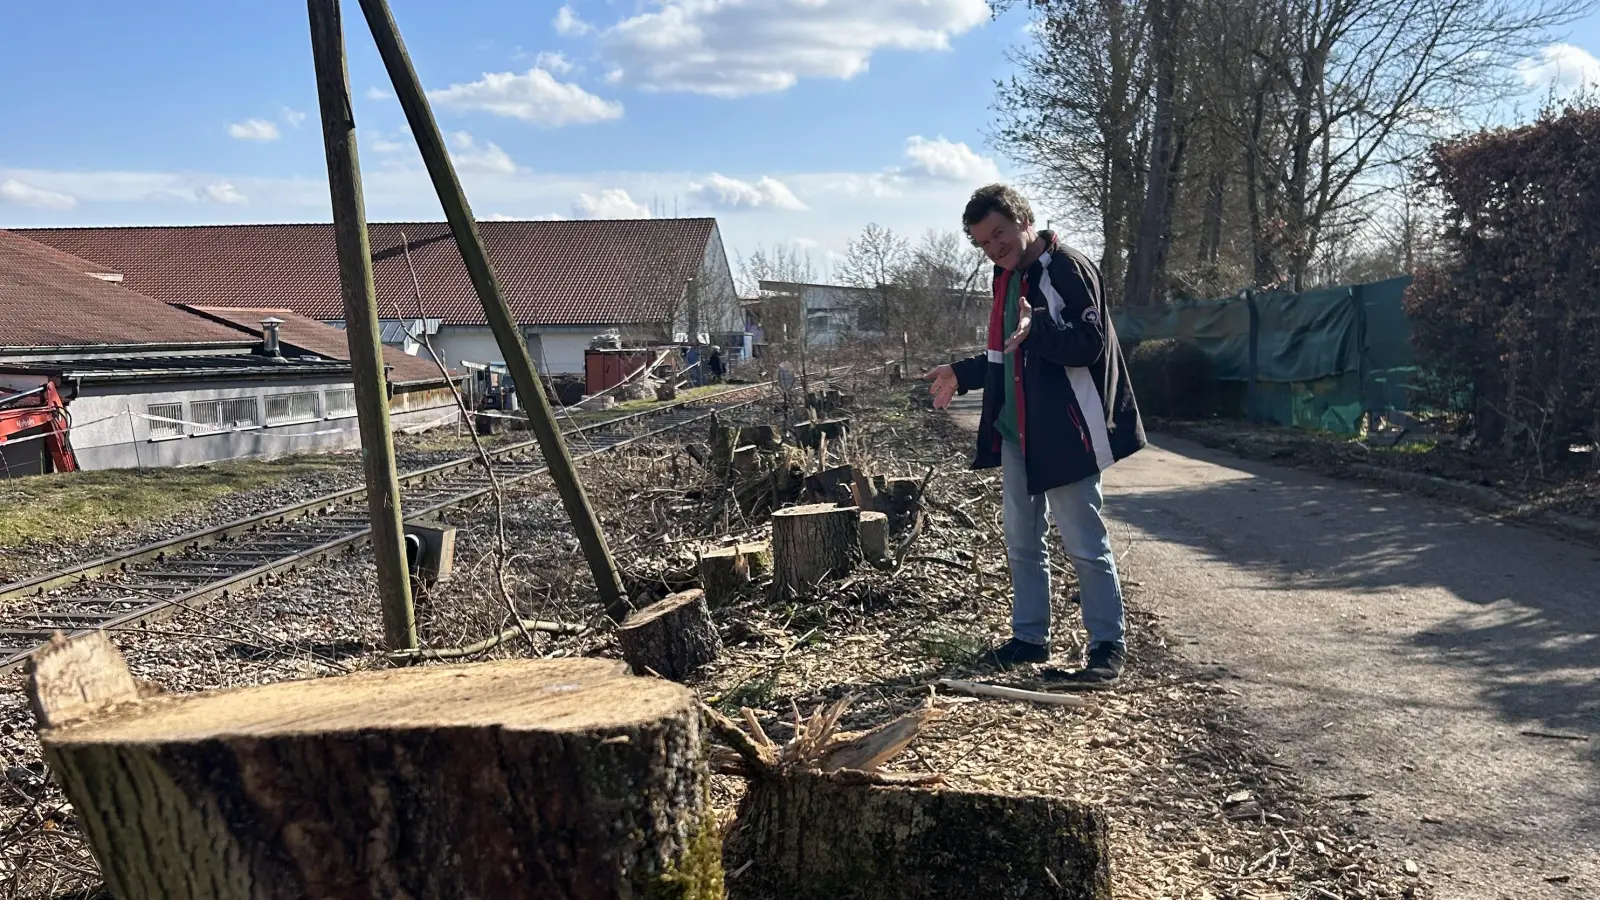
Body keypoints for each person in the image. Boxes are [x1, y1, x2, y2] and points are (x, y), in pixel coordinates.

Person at [923, 183, 1146, 688]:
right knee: (1022, 540)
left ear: (1025, 221)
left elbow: (1089, 345)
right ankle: (1029, 638)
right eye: (982, 242)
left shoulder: (1067, 268)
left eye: (999, 234)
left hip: (1066, 433)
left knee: (1086, 544)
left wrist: (1039, 331)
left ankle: (1107, 648)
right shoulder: (1006, 280)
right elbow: (1010, 354)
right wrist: (962, 372)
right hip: (1016, 432)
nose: (993, 247)